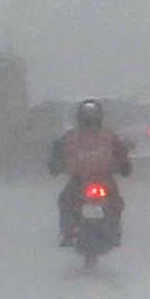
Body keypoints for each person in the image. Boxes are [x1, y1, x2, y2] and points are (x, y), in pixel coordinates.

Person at [48, 99, 132, 246]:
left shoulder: (108, 137)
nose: (90, 123)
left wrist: (124, 164)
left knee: (115, 202)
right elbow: (58, 151)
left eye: (92, 120)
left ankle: (113, 229)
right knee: (65, 200)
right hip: (81, 180)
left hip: (102, 179)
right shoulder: (72, 137)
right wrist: (55, 163)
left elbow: (121, 152)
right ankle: (69, 231)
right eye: (87, 120)